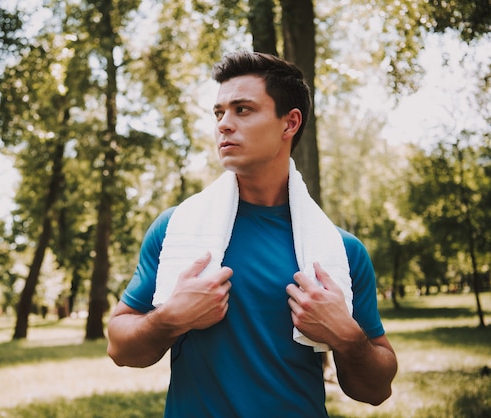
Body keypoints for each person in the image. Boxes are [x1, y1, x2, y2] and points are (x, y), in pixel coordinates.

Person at [107, 50, 397, 417]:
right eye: (219, 113)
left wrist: (347, 336)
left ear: (289, 123)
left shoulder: (342, 250)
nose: (224, 124)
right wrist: (170, 318)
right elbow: (119, 347)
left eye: (242, 110)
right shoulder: (175, 229)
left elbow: (375, 390)